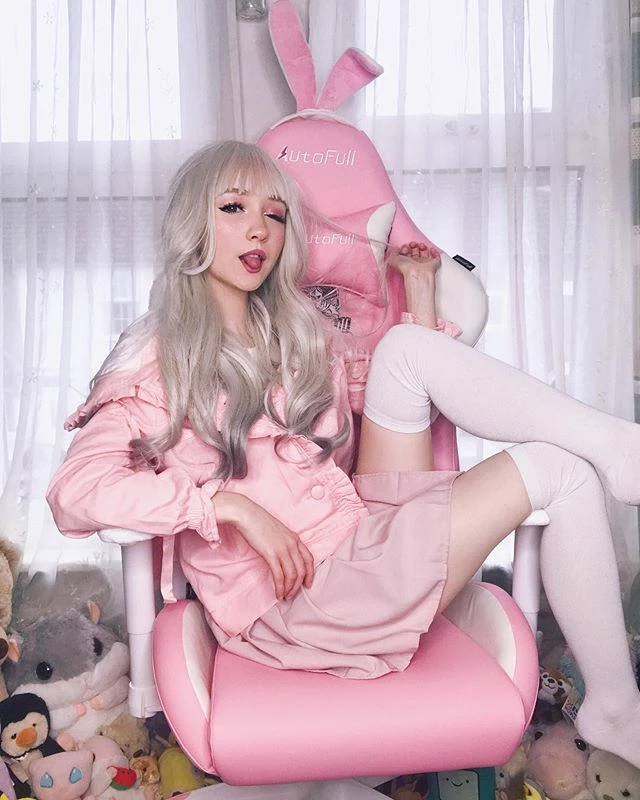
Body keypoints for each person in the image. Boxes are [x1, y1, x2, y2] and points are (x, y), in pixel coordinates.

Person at [47, 140, 640, 769]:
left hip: (355, 541)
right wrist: (228, 507)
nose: (259, 229)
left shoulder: (295, 334)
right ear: (193, 223)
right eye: (233, 208)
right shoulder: (156, 358)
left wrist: (417, 291)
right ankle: (615, 704)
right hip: (299, 601)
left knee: (404, 351)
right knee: (561, 472)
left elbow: (409, 398)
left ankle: (618, 446)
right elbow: (74, 490)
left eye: (275, 215)